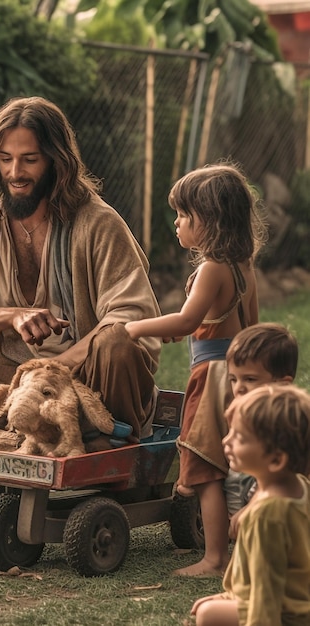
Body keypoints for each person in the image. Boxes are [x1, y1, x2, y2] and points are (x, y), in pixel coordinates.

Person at [0, 96, 161, 440]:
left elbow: (131, 317)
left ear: (56, 162)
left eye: (29, 160)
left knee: (117, 344)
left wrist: (52, 372)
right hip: (11, 381)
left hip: (88, 382)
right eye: (6, 159)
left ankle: (99, 440)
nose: (15, 172)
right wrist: (12, 316)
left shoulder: (98, 223)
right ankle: (17, 429)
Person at [125, 162, 266, 577]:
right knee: (235, 461)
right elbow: (247, 327)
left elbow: (186, 321)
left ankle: (214, 558)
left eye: (185, 215)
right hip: (239, 373)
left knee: (206, 468)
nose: (177, 222)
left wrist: (133, 327)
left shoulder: (211, 268)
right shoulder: (244, 265)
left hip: (213, 377)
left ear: (213, 221)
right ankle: (238, 543)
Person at [191, 384, 310, 626]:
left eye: (240, 437)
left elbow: (266, 598)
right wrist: (229, 596)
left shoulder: (268, 516)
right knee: (209, 606)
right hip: (295, 601)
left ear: (276, 459)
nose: (226, 440)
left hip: (283, 615)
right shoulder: (299, 485)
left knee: (207, 616)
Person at [223, 323, 298, 536]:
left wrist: (252, 506)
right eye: (233, 379)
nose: (239, 387)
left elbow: (284, 479)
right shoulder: (240, 410)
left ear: (282, 384)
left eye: (250, 379)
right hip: (240, 487)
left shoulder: (283, 420)